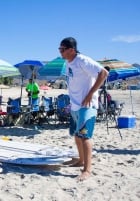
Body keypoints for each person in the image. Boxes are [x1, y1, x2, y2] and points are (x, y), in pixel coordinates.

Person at [59, 37, 109, 181]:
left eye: (62, 49)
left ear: (71, 50)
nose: (60, 52)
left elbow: (103, 73)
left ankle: (87, 170)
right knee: (77, 135)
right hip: (75, 105)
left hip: (87, 106)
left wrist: (90, 94)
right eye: (60, 49)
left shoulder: (82, 60)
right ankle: (80, 160)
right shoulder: (68, 63)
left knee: (85, 136)